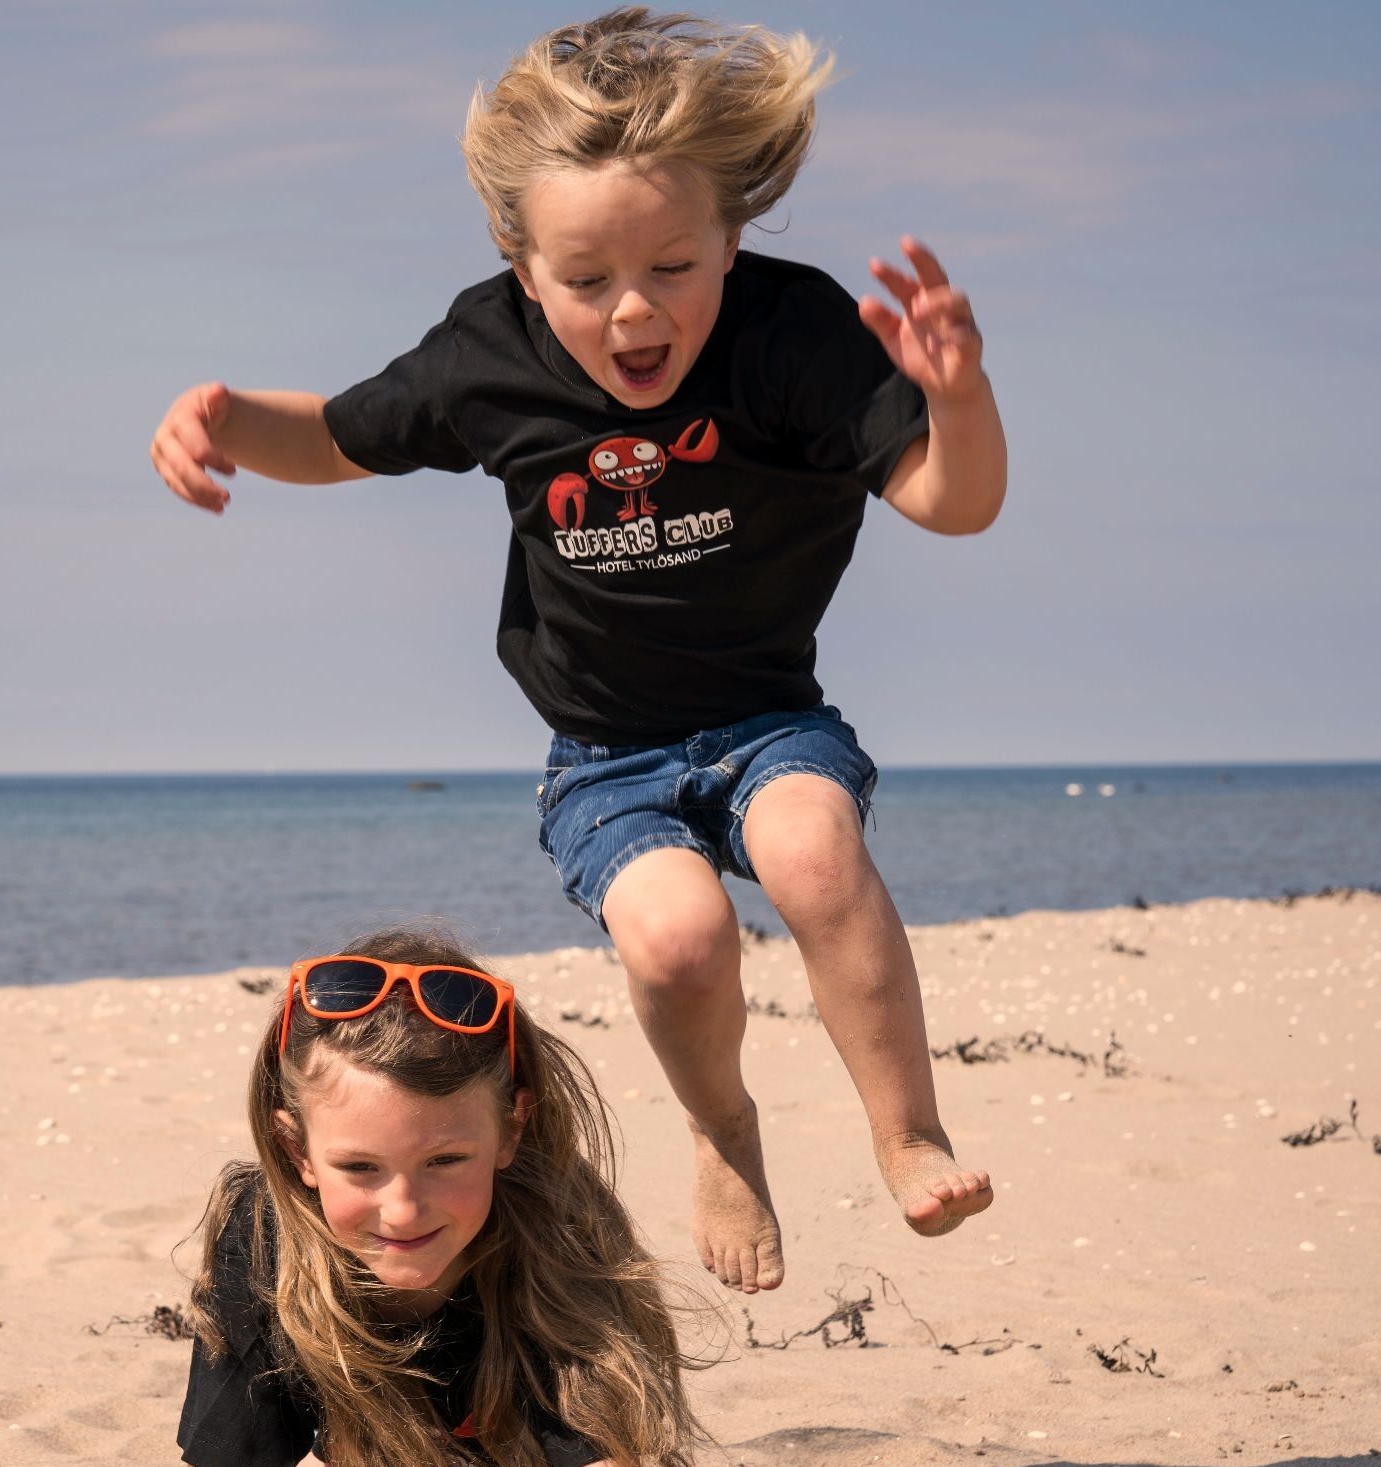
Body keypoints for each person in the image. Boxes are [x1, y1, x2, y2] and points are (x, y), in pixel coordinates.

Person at [148, 9, 1001, 1294]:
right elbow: (333, 436)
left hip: (773, 714)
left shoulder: (792, 336)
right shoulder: (489, 353)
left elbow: (955, 500)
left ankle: (907, 1128)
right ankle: (725, 1133)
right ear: (523, 259)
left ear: (732, 233)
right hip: (605, 755)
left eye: (674, 264)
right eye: (588, 279)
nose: (635, 309)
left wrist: (959, 397)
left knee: (813, 854)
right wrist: (222, 418)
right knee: (677, 942)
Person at [80, 926, 700, 1467]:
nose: (404, 1209)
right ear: (298, 1150)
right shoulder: (267, 1242)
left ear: (511, 1129)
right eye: (361, 1167)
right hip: (353, 1463)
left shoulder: (552, 1237)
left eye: (447, 1159)